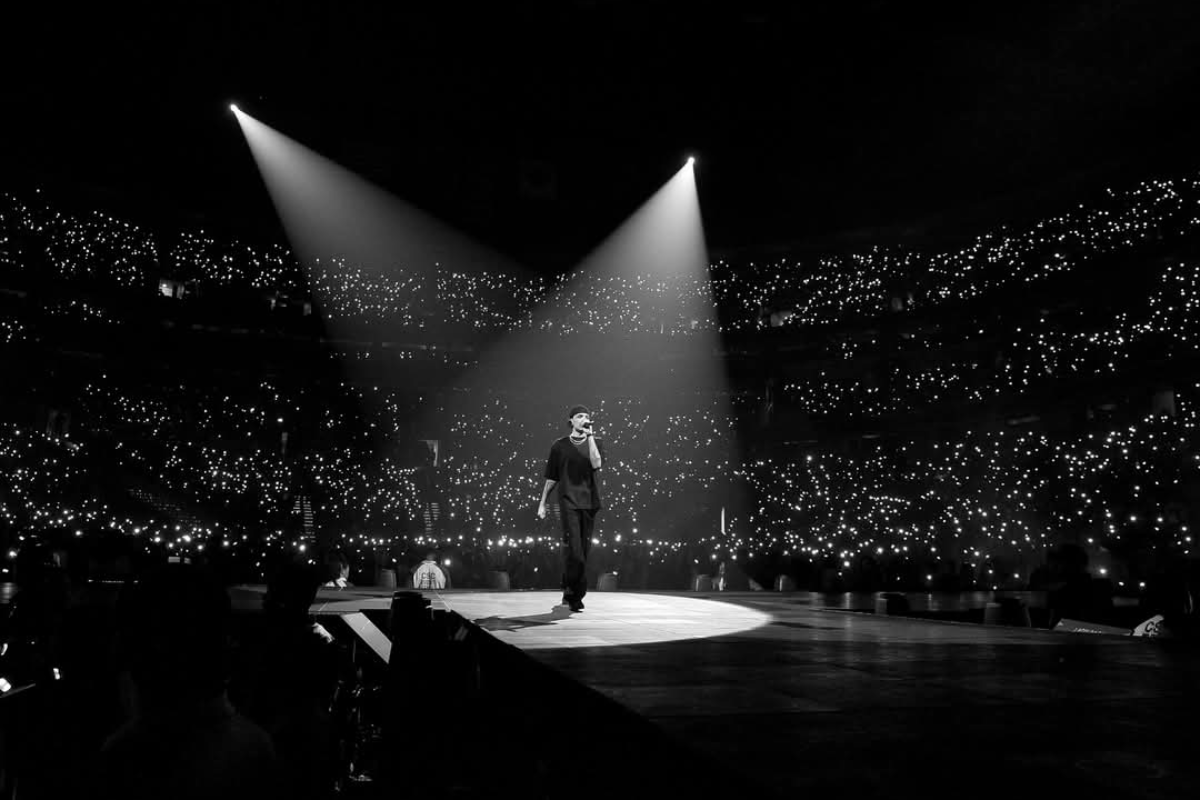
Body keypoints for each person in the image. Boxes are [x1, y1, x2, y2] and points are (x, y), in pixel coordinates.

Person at [538, 404, 605, 612]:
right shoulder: (559, 446)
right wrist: (542, 503)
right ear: (571, 421)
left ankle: (572, 592)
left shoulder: (597, 442)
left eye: (586, 416)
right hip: (568, 501)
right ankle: (573, 594)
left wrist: (590, 436)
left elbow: (596, 463)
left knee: (583, 553)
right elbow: (551, 477)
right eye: (579, 416)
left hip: (590, 502)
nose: (584, 418)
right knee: (574, 551)